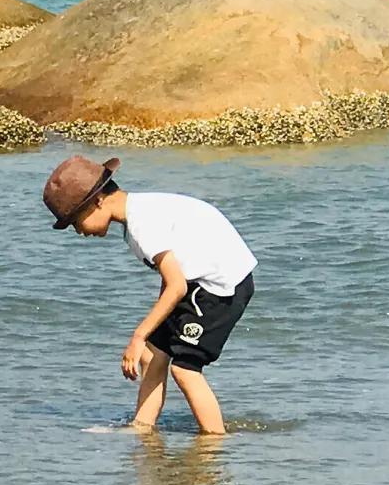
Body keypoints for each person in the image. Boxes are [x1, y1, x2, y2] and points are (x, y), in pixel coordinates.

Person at [41, 154, 256, 437]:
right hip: (197, 281)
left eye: (75, 221)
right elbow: (173, 282)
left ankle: (214, 442)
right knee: (150, 356)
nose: (79, 231)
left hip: (220, 286)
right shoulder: (138, 214)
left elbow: (176, 286)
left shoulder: (143, 224)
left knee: (185, 369)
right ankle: (142, 428)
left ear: (97, 201)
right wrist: (149, 336)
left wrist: (138, 335)